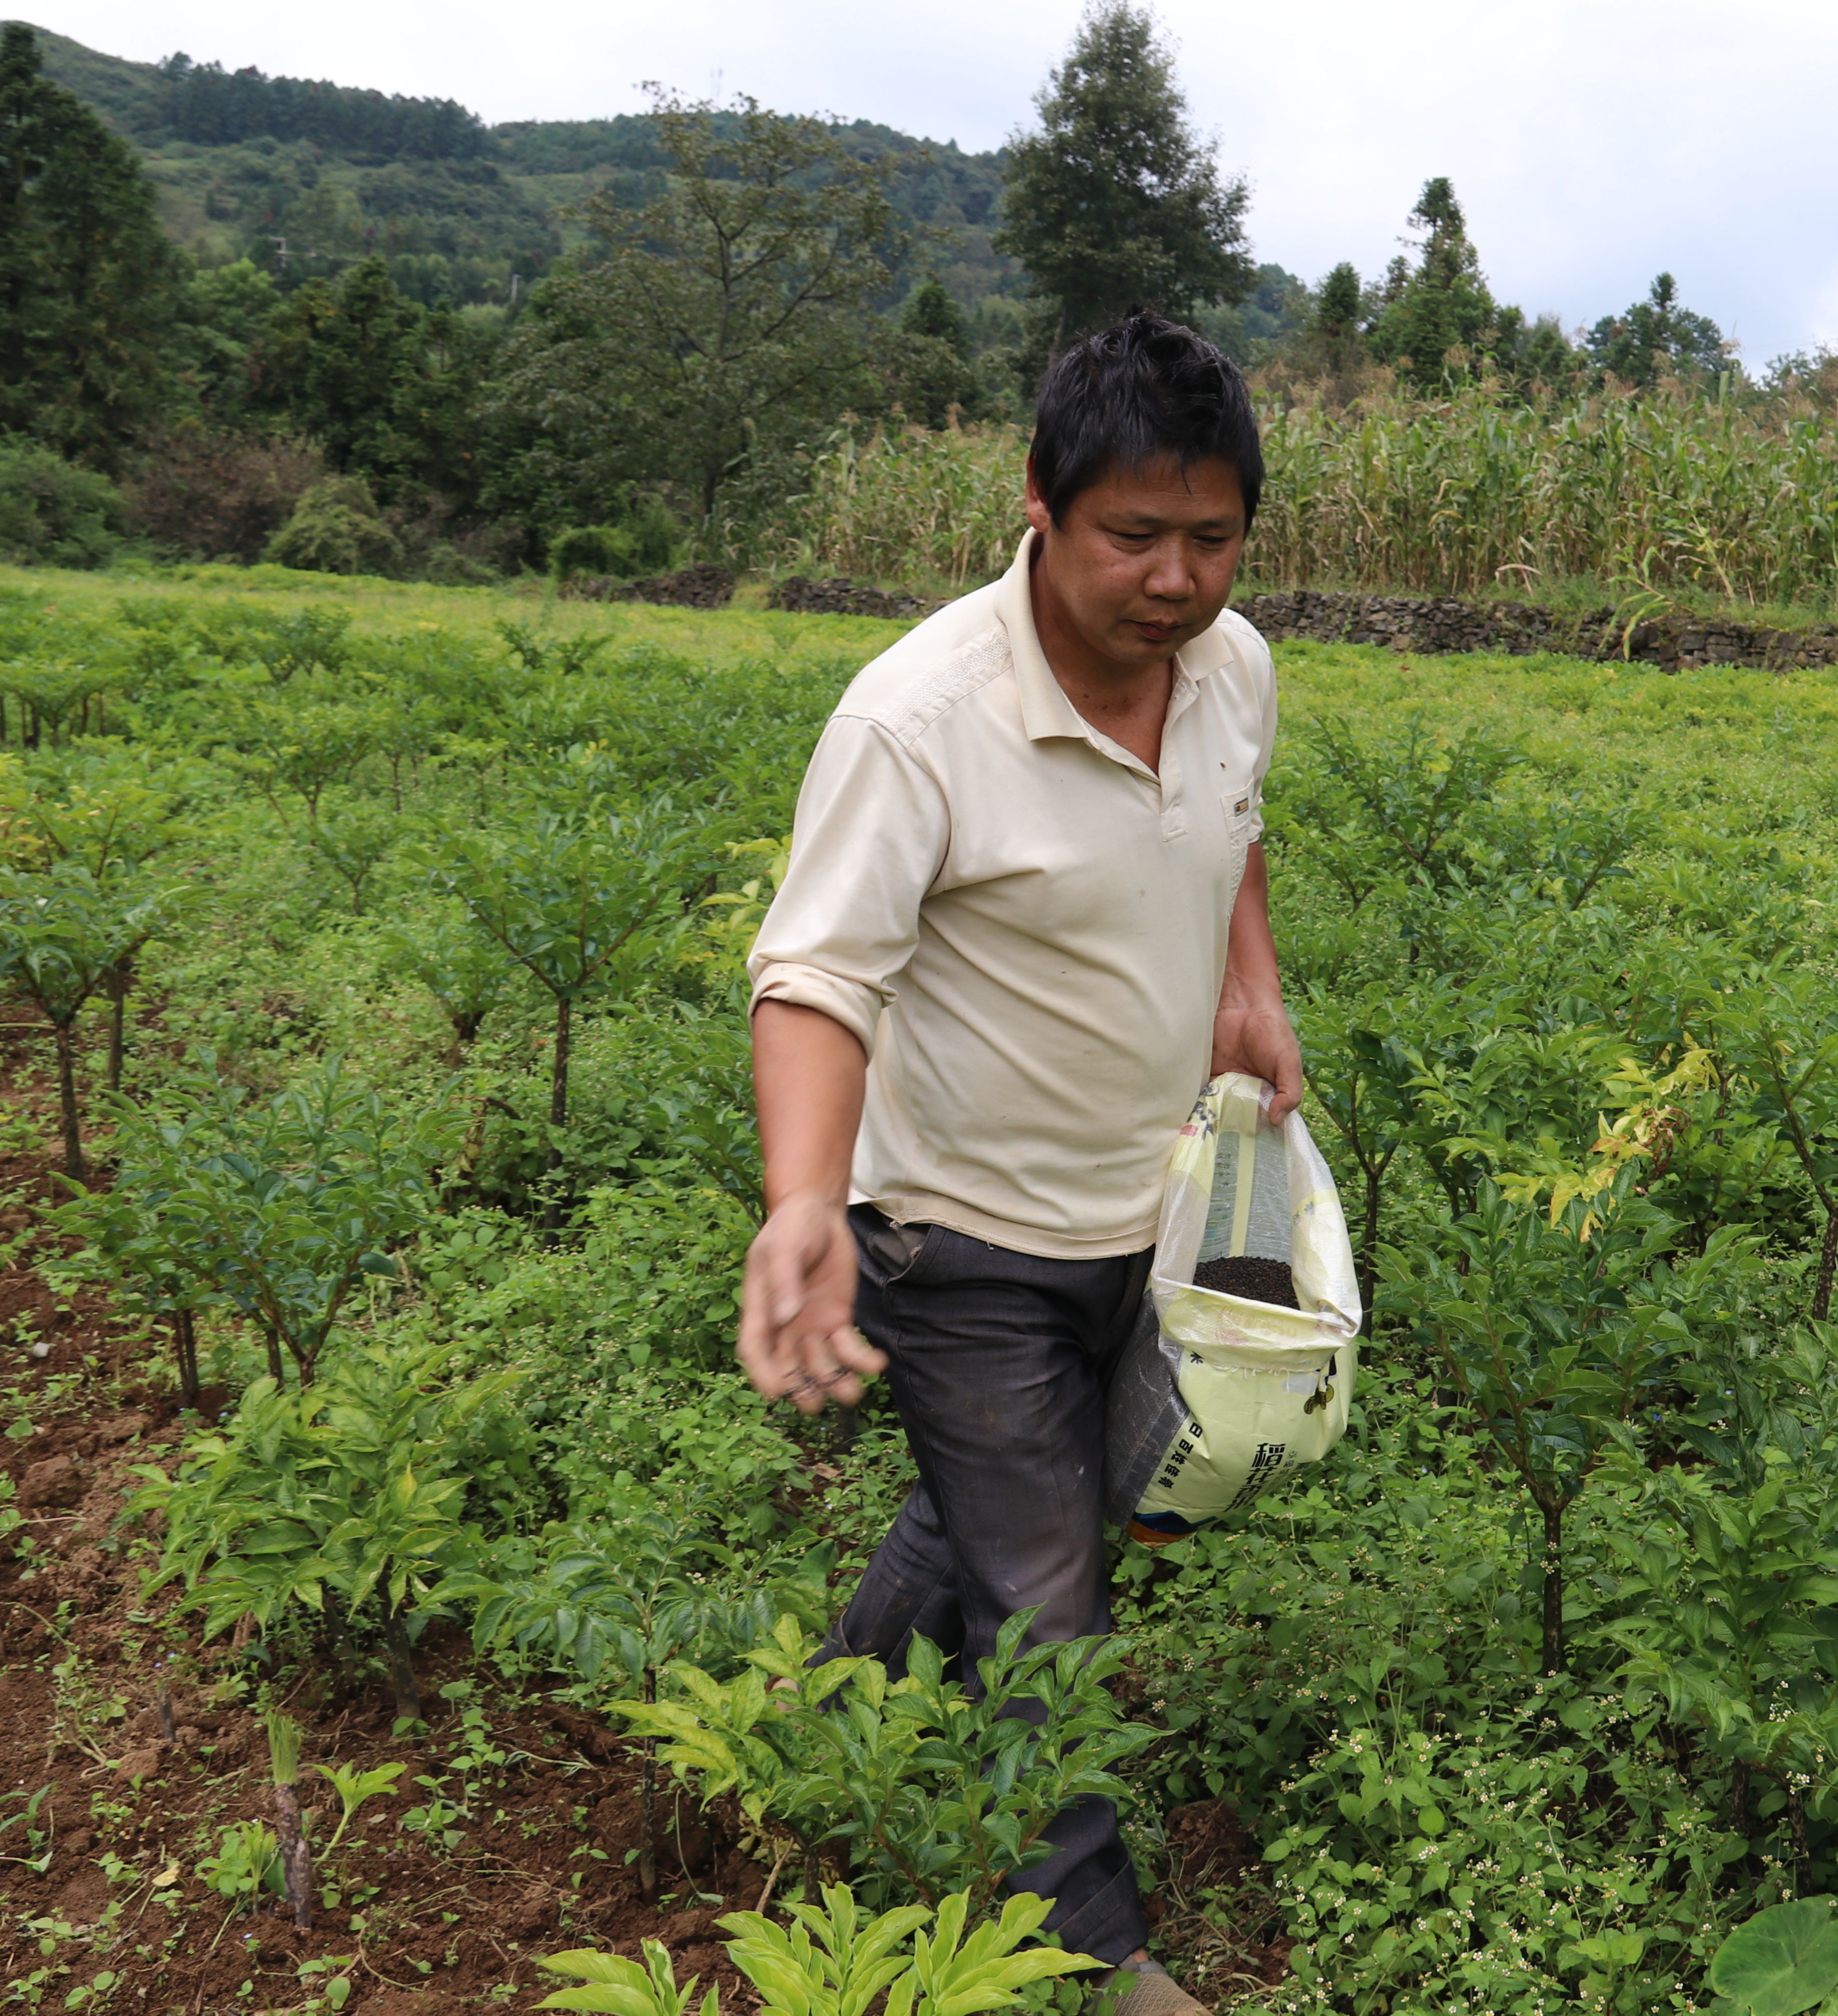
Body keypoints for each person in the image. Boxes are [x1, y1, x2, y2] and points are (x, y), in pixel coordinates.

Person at [734, 308, 1297, 2016]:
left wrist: (1248, 987)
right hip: (958, 1233)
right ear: (1040, 508)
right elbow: (817, 975)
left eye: (1212, 538)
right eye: (1137, 535)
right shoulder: (921, 719)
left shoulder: (1239, 667)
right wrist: (802, 1203)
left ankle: (820, 1713)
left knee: (1035, 1509)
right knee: (1047, 1599)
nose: (1177, 579)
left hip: (1153, 1213)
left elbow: (1235, 824)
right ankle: (1096, 1948)